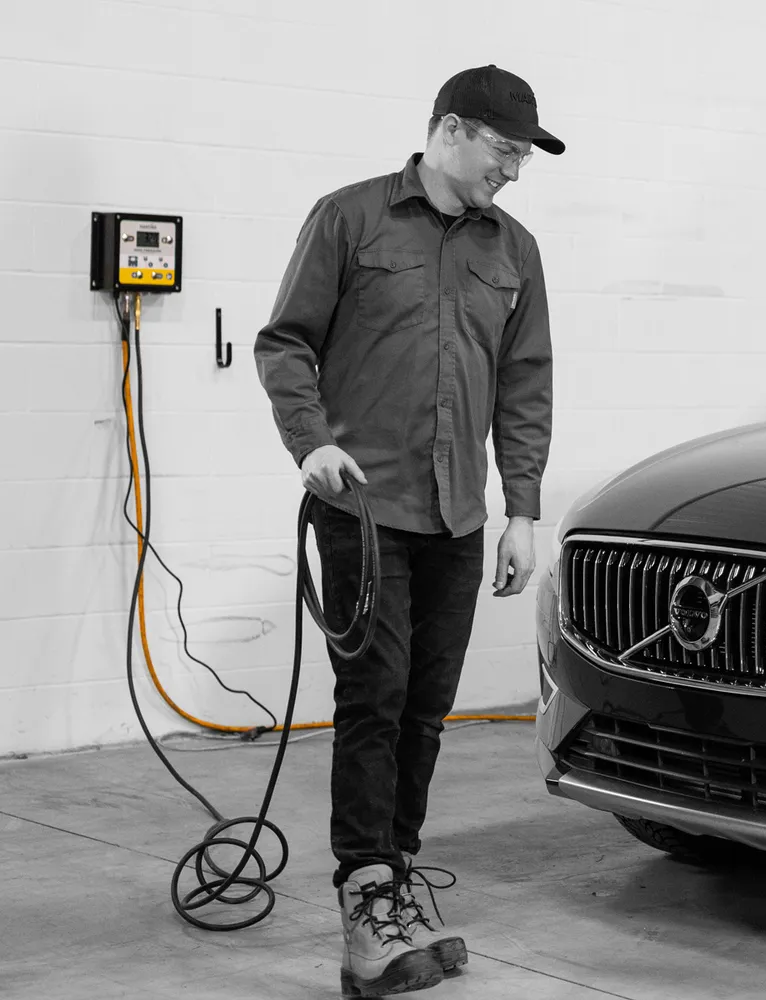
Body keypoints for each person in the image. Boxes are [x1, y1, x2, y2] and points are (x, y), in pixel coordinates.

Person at [253, 64, 564, 997]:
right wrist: (310, 443)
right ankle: (365, 904)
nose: (513, 170)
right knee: (375, 701)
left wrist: (521, 512)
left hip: (456, 515)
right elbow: (285, 342)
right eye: (505, 149)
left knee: (427, 708)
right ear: (451, 130)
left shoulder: (515, 249)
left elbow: (525, 382)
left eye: (523, 156)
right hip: (364, 510)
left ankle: (397, 881)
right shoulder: (349, 219)